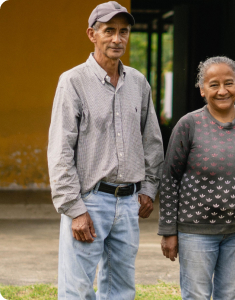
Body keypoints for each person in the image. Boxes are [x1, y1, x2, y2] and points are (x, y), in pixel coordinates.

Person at [47, 2, 164, 299]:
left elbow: (152, 140)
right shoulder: (72, 82)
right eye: (109, 31)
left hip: (128, 203)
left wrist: (149, 188)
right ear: (92, 34)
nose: (117, 38)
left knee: (121, 289)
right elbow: (60, 150)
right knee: (78, 288)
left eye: (123, 32)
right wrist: (74, 208)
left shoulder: (138, 82)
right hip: (89, 200)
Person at [158, 56, 235, 300]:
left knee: (230, 295)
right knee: (197, 296)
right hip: (196, 231)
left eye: (229, 83)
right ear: (202, 90)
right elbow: (170, 178)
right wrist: (168, 230)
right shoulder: (189, 124)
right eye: (214, 84)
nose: (222, 90)